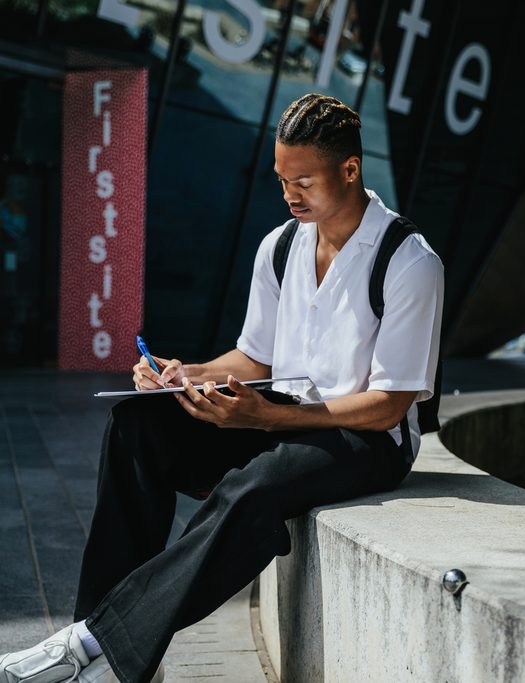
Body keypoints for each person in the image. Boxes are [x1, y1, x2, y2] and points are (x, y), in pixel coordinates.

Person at [0, 93, 444, 683]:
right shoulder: (281, 245)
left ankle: (93, 647)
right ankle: (100, 645)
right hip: (280, 412)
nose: (290, 194)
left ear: (351, 170)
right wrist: (182, 375)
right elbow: (254, 356)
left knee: (253, 488)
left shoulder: (409, 261)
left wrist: (262, 419)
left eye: (303, 181)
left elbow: (389, 406)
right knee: (141, 424)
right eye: (282, 179)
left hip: (365, 437)